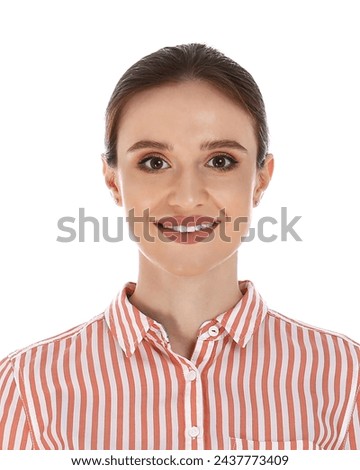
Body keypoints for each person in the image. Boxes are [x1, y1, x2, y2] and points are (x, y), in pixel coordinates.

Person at [0, 43, 359, 451]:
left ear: (260, 179)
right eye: (154, 162)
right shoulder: (26, 386)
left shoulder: (346, 376)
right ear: (113, 181)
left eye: (220, 161)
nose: (187, 199)